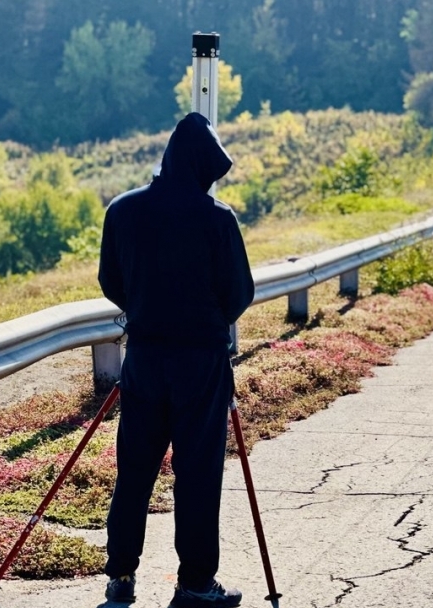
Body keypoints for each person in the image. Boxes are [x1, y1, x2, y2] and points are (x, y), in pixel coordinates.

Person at [97, 112, 255, 608]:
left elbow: (110, 281)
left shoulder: (122, 211)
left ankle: (120, 578)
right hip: (200, 365)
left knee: (135, 472)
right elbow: (239, 293)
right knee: (198, 474)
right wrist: (204, 322)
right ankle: (194, 584)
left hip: (143, 358)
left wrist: (146, 309)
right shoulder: (217, 218)